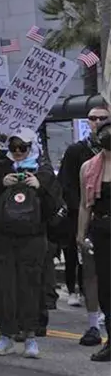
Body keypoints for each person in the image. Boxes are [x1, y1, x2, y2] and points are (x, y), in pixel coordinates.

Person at [0, 128, 62, 358]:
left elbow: (56, 207)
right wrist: (1, 184)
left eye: (22, 148)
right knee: (4, 287)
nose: (18, 153)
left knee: (31, 287)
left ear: (32, 147)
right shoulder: (2, 167)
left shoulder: (43, 171)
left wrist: (39, 187)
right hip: (2, 238)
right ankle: (6, 335)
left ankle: (31, 336)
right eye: (13, 148)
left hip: (33, 239)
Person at [59, 105, 109, 347]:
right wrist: (80, 231)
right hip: (94, 225)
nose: (98, 122)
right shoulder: (80, 156)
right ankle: (93, 325)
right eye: (93, 118)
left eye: (103, 119)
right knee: (92, 276)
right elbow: (77, 197)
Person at [78, 120, 111, 361]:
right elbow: (84, 205)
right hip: (101, 231)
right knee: (106, 289)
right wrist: (80, 234)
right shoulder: (89, 167)